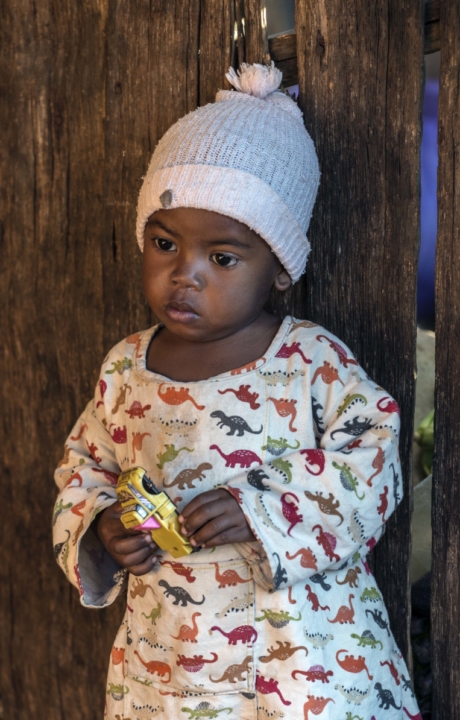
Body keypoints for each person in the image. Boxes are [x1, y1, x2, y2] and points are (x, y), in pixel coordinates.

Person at [53, 63, 421, 720]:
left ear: (278, 270)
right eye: (164, 243)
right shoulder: (126, 369)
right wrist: (101, 528)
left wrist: (262, 509)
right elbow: (84, 468)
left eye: (222, 258)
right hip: (169, 658)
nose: (185, 274)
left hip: (302, 659)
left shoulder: (308, 361)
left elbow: (374, 461)